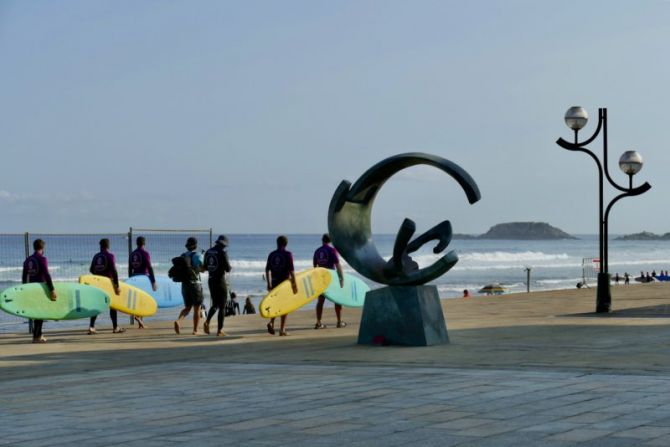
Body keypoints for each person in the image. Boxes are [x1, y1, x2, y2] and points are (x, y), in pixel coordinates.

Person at [22, 239, 57, 343]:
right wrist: (52, 289)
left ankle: (37, 335)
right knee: (41, 313)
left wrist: (24, 289)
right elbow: (47, 275)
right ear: (42, 248)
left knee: (36, 313)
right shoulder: (42, 259)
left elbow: (24, 277)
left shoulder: (28, 260)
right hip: (41, 289)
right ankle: (37, 337)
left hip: (31, 289)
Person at [88, 238, 123, 334]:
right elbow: (114, 271)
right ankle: (115, 327)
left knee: (96, 304)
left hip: (97, 283)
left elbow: (91, 269)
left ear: (100, 246)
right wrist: (117, 285)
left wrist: (98, 274)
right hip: (108, 284)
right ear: (108, 246)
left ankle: (91, 327)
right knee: (113, 305)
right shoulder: (110, 256)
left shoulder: (96, 256)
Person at [265, 235, 297, 336]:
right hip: (284, 284)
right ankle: (282, 330)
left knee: (275, 304)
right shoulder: (288, 254)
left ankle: (271, 323)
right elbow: (292, 271)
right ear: (286, 244)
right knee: (285, 306)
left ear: (277, 243)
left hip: (274, 283)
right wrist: (294, 285)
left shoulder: (272, 254)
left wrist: (269, 283)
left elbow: (267, 270)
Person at [173, 237, 205, 335]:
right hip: (195, 285)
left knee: (187, 307)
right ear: (195, 245)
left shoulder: (182, 256)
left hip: (185, 285)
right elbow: (202, 269)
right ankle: (195, 330)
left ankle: (178, 321)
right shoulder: (197, 255)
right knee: (197, 308)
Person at [313, 234, 345, 329]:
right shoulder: (332, 250)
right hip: (331, 278)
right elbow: (338, 265)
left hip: (321, 279)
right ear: (330, 241)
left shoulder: (317, 251)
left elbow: (315, 268)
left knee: (321, 301)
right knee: (337, 300)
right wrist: (341, 279)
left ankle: (318, 322)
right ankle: (339, 322)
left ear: (322, 240)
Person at [203, 235, 232, 337]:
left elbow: (205, 267)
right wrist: (229, 267)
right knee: (222, 306)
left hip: (211, 280)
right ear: (223, 244)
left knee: (215, 304)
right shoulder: (223, 253)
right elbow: (228, 269)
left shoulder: (208, 252)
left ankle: (207, 321)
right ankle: (219, 331)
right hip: (220, 281)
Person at [128, 236, 156, 329]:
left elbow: (130, 268)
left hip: (134, 277)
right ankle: (138, 318)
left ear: (137, 243)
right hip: (143, 278)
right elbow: (150, 267)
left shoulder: (132, 254)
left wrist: (129, 280)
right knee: (143, 300)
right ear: (144, 243)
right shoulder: (145, 253)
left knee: (136, 300)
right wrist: (153, 281)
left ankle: (141, 323)